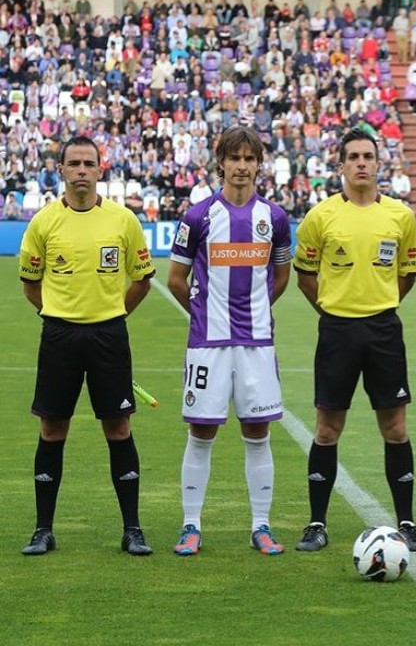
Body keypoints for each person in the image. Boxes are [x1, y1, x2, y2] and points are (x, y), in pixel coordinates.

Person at [18, 136, 155, 556]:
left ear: (101, 170)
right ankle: (43, 529)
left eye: (88, 163)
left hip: (109, 335)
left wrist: (112, 313)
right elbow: (30, 284)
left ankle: (132, 529)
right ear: (60, 170)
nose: (81, 170)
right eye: (73, 163)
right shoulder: (43, 222)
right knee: (52, 427)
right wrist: (59, 313)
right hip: (59, 335)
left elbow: (142, 279)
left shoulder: (124, 220)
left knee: (118, 427)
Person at [292, 128, 416, 552]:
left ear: (378, 162)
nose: (362, 163)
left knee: (396, 428)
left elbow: (407, 274)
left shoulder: (400, 217)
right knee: (328, 429)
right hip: (337, 331)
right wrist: (333, 310)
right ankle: (316, 524)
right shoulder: (321, 216)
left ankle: (406, 521)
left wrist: (379, 305)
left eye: (368, 155)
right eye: (354, 157)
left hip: (384, 329)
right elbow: (305, 276)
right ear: (341, 165)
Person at [168, 126, 292, 556]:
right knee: (201, 431)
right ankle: (190, 525)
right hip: (209, 343)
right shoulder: (198, 216)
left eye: (249, 159)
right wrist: (204, 313)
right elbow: (176, 280)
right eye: (234, 158)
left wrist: (256, 309)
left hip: (257, 342)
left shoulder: (273, 218)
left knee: (258, 432)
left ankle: (261, 525)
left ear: (259, 164)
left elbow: (280, 276)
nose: (241, 166)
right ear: (220, 162)